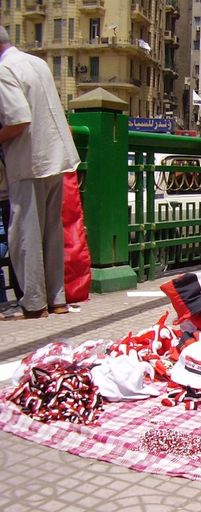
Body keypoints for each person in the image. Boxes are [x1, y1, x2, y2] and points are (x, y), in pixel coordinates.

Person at [0, 27, 80, 320]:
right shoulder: (37, 63)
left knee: (25, 233)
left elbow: (18, 119)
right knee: (50, 232)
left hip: (28, 159)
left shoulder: (4, 70)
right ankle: (57, 298)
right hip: (55, 155)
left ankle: (34, 303)